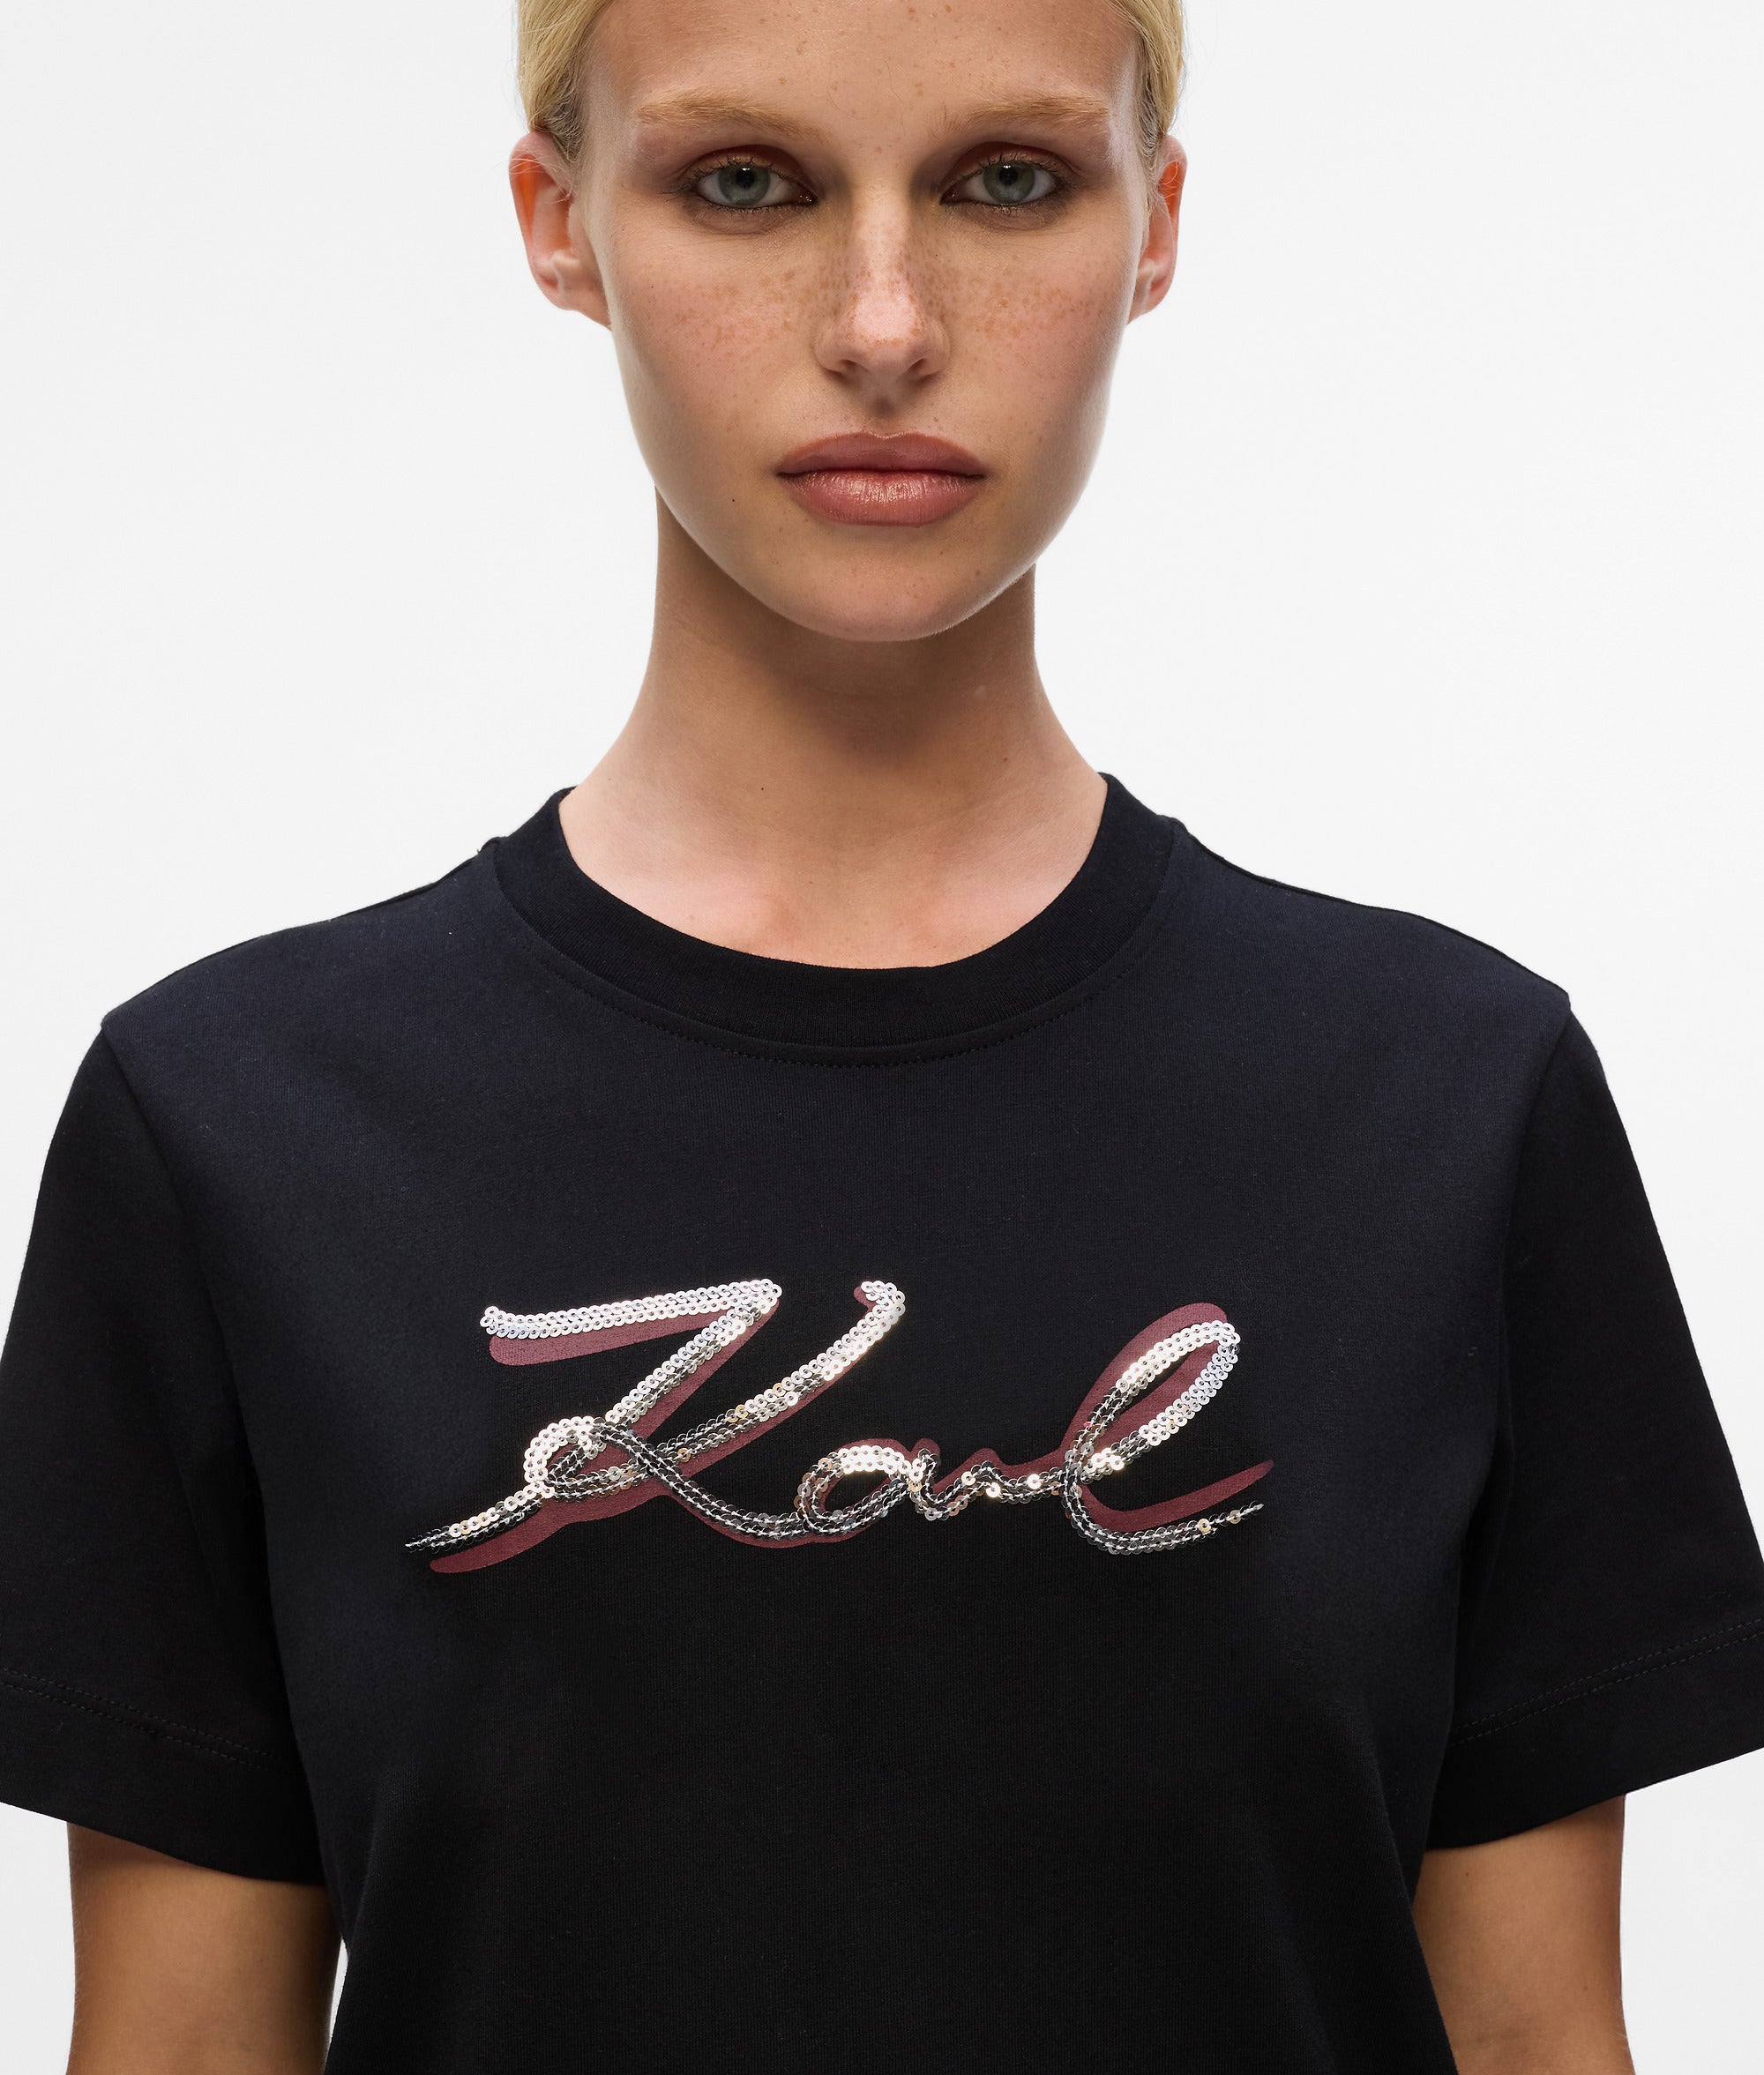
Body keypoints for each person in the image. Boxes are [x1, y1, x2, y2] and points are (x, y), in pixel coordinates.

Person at [2, 0, 1760, 2068]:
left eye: (1005, 182)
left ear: (1152, 226)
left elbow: (1539, 2040)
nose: (884, 325)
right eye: (744, 183)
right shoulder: (237, 1133)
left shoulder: (1449, 1107)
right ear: (560, 223)